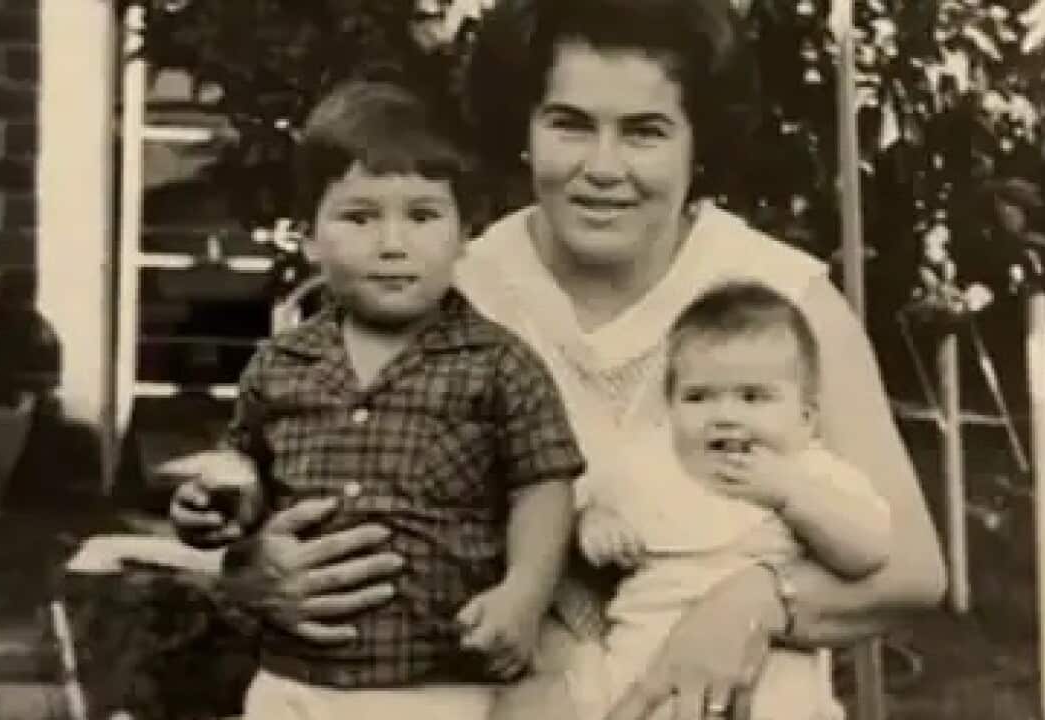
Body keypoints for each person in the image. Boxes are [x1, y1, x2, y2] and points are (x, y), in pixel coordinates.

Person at [171, 1, 947, 718]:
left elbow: (912, 570)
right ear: (524, 127)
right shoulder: (455, 289)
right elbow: (299, 459)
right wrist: (253, 568)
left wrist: (754, 602)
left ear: (698, 142)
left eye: (645, 131)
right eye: (570, 124)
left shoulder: (779, 299)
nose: (603, 167)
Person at [170, 79, 586, 720]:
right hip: (294, 681)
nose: (393, 244)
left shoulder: (498, 363)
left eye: (422, 216)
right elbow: (249, 468)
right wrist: (218, 506)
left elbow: (545, 481)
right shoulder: (280, 365)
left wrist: (523, 596)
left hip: (441, 683)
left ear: (463, 234)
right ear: (307, 237)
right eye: (360, 217)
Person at [496, 280, 893, 720]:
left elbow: (869, 550)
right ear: (670, 409)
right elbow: (584, 520)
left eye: (752, 397)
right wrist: (597, 526)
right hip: (637, 660)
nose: (725, 415)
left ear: (805, 419)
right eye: (698, 397)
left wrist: (790, 496)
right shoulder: (650, 465)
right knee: (544, 701)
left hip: (761, 666)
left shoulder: (809, 472)